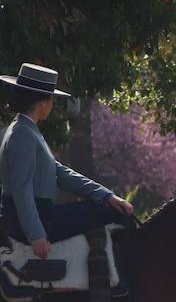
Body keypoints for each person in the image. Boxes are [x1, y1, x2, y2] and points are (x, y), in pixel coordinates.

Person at [0, 63, 134, 257]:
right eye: (52, 100)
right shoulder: (23, 134)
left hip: (43, 214)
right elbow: (22, 190)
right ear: (41, 104)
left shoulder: (27, 129)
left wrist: (106, 196)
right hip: (38, 220)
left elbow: (59, 172)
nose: (52, 105)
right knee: (115, 214)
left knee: (108, 208)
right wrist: (36, 235)